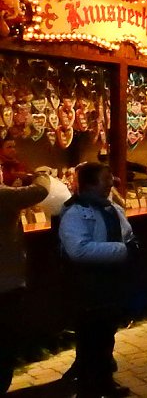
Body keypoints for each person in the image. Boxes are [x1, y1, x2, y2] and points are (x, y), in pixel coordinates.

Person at [59, 162, 138, 398]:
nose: (111, 182)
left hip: (111, 284)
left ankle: (104, 383)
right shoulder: (75, 213)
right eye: (106, 179)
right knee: (90, 339)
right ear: (91, 184)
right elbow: (79, 251)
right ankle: (89, 388)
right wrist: (123, 251)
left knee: (106, 336)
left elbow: (128, 235)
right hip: (88, 287)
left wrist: (132, 246)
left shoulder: (110, 209)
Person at [0, 166, 50, 393]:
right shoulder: (4, 196)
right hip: (5, 283)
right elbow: (39, 191)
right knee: (5, 341)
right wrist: (40, 174)